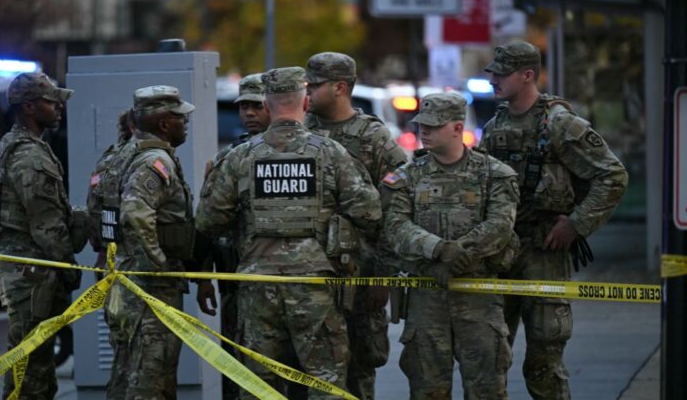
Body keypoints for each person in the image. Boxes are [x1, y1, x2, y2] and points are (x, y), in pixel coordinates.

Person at [196, 67, 382, 399]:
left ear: (267, 104)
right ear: (306, 102)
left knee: (258, 385)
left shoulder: (241, 156)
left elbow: (209, 220)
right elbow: (369, 213)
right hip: (315, 285)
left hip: (257, 287)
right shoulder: (332, 154)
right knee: (325, 383)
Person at [479, 40, 628, 399]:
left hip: (544, 252)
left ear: (527, 75)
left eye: (502, 73)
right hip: (499, 252)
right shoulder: (494, 126)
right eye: (493, 72)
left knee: (544, 363)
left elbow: (612, 176)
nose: (493, 80)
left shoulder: (561, 125)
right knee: (487, 359)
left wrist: (576, 224)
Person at [381, 92, 519, 399]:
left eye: (433, 125)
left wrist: (461, 251)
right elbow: (396, 227)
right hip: (426, 301)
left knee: (487, 389)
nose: (424, 131)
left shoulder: (494, 174)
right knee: (427, 390)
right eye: (421, 125)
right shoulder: (405, 177)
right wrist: (439, 249)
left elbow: (500, 225)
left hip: (479, 298)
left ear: (457, 128)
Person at [304, 52, 406, 400]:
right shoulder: (301, 132)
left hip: (359, 274)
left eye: (315, 85)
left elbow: (397, 208)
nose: (308, 91)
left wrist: (383, 273)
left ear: (340, 87)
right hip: (312, 272)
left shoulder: (373, 138)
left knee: (360, 365)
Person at [0, 72, 86, 399]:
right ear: (29, 106)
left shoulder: (10, 147)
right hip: (32, 274)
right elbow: (46, 226)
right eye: (51, 102)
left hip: (20, 269)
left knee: (28, 362)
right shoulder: (29, 156)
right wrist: (69, 268)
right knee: (33, 372)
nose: (58, 108)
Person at [102, 85, 196, 399]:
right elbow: (134, 213)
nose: (186, 123)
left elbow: (96, 211)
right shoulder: (154, 161)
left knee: (126, 370)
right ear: (164, 124)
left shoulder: (120, 154)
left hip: (122, 279)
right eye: (181, 118)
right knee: (150, 378)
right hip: (147, 289)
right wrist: (156, 265)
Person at [195, 72, 270, 400]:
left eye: (257, 105)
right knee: (237, 366)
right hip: (238, 281)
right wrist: (202, 276)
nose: (249, 113)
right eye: (244, 107)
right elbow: (209, 221)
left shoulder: (305, 152)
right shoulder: (229, 157)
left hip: (290, 283)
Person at [84, 109, 135, 398]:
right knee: (144, 357)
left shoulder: (106, 162)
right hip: (137, 271)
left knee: (121, 350)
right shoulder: (143, 161)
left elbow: (93, 211)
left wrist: (101, 249)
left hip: (108, 267)